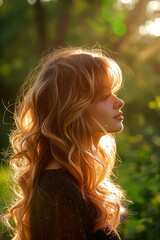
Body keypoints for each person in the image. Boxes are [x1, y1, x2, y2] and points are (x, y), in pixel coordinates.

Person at [1, 47, 131, 240]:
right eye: (104, 95)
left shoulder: (73, 181)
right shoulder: (58, 190)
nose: (118, 101)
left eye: (114, 92)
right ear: (74, 108)